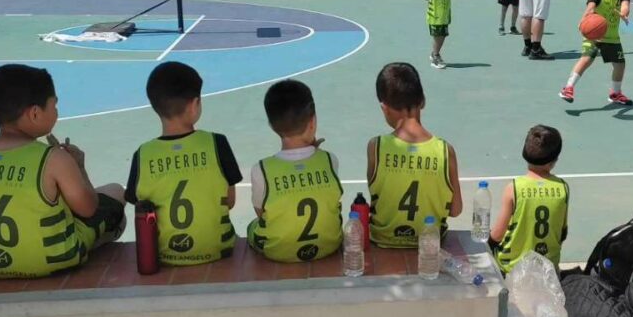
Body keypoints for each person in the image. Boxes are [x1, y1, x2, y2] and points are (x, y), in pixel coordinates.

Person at [0, 64, 126, 278]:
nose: (57, 112)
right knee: (116, 194)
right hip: (52, 261)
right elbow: (89, 208)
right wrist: (79, 168)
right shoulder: (54, 158)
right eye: (54, 106)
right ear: (35, 113)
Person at [125, 62, 243, 266]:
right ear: (194, 105)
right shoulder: (217, 143)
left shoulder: (143, 154)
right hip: (218, 250)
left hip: (164, 255)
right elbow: (229, 201)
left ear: (155, 106)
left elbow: (136, 202)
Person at [246, 80, 344, 263]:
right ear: (312, 121)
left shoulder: (261, 169)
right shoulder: (330, 160)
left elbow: (261, 214)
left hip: (278, 251)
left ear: (271, 125)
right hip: (329, 245)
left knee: (253, 226)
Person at [366, 62, 462, 247]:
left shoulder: (375, 147)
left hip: (382, 242)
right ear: (423, 101)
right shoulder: (445, 151)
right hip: (430, 244)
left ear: (384, 108)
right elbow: (456, 210)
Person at [490, 125, 570, 274]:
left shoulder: (513, 188)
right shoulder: (563, 188)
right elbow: (562, 233)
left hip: (512, 269)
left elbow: (497, 235)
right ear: (555, 159)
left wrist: (487, 246)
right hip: (548, 270)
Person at [560, 0, 633, 105]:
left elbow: (625, 5)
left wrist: (624, 13)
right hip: (594, 35)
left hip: (612, 37)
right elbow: (590, 8)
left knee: (620, 65)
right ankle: (568, 88)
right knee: (586, 59)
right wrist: (584, 19)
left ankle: (615, 93)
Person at [424, 0, 452, 70]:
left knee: (443, 35)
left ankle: (434, 53)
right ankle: (435, 57)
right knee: (437, 37)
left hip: (444, 15)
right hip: (435, 15)